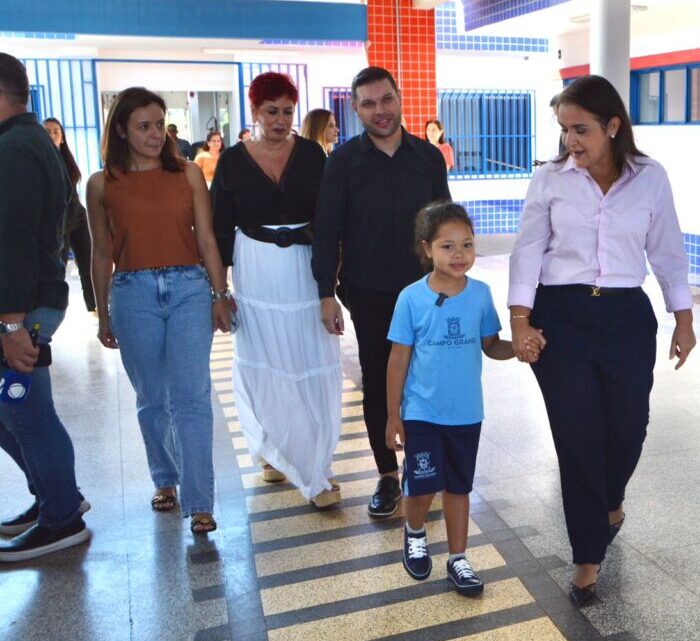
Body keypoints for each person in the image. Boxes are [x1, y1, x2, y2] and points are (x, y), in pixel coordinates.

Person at [508, 75, 697, 607]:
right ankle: (587, 556)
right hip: (560, 315)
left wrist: (683, 317)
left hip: (625, 317)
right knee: (577, 437)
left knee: (629, 427)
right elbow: (527, 250)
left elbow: (667, 250)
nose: (572, 140)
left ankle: (612, 502)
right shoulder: (549, 179)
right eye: (565, 129)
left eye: (582, 129)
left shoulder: (650, 178)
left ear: (613, 126)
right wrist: (521, 320)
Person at [86, 87, 233, 535]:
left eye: (158, 124)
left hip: (190, 288)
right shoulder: (100, 183)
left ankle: (201, 502)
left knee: (192, 397)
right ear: (122, 131)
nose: (155, 134)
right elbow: (99, 254)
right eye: (143, 126)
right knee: (152, 399)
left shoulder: (188, 174)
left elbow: (207, 238)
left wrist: (219, 293)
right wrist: (103, 316)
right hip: (132, 294)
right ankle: (165, 479)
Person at [313, 66, 451, 518]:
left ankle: (423, 469)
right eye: (368, 104)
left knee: (426, 380)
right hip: (369, 292)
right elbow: (328, 229)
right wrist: (326, 292)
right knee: (378, 380)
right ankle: (388, 475)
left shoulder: (428, 158)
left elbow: (445, 224)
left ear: (399, 97)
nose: (380, 111)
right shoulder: (343, 162)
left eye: (386, 100)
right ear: (355, 109)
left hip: (426, 291)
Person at [212, 72, 343, 508]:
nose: (281, 120)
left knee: (308, 358)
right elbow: (218, 231)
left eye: (288, 111)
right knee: (265, 359)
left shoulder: (311, 155)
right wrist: (220, 291)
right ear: (254, 112)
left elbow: (327, 225)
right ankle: (272, 447)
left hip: (303, 269)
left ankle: (314, 466)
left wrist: (329, 288)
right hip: (256, 270)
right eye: (272, 111)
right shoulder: (231, 161)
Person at [385, 202, 525, 594]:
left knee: (459, 487)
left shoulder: (480, 295)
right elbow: (398, 359)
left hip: (466, 413)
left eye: (467, 245)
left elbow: (491, 345)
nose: (460, 254)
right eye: (448, 247)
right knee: (423, 484)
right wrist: (393, 415)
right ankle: (414, 533)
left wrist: (520, 348)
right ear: (427, 248)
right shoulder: (411, 298)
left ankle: (458, 559)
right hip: (422, 412)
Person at [0, 52, 91, 561]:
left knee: (27, 414)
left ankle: (61, 516)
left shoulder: (15, 150)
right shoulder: (25, 142)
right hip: (26, 307)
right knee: (15, 412)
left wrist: (11, 324)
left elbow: (11, 242)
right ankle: (53, 497)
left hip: (23, 311)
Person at [44, 117, 96, 313]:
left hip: (78, 218)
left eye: (55, 131)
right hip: (60, 223)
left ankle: (95, 308)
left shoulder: (67, 159)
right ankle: (53, 311)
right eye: (47, 131)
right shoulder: (42, 159)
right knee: (58, 269)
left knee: (88, 265)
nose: (51, 135)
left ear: (62, 137)